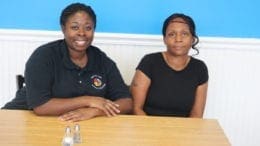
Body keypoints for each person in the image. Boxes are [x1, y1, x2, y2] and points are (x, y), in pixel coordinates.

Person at [2, 3, 132, 121]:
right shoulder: (43, 56)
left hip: (71, 125)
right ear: (64, 29)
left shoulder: (101, 60)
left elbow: (126, 102)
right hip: (20, 118)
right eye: (74, 27)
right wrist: (88, 100)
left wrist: (95, 111)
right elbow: (41, 107)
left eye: (88, 28)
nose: (82, 33)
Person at [130, 13, 208, 118]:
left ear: (192, 39)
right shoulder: (149, 62)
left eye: (184, 34)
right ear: (164, 39)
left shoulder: (200, 68)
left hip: (183, 130)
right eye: (172, 34)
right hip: (147, 127)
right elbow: (136, 108)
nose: (178, 39)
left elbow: (196, 115)